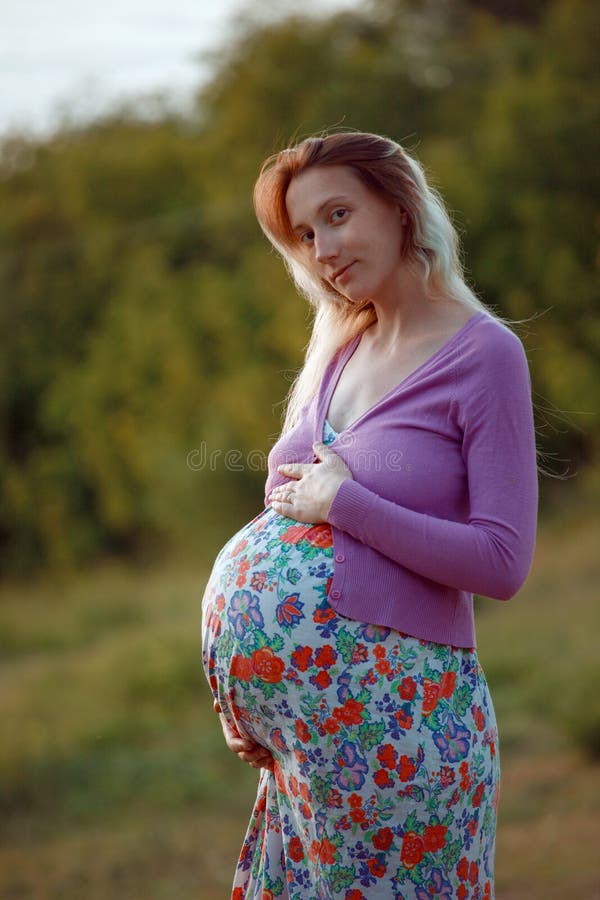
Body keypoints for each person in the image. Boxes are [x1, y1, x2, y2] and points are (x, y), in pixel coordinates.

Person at [201, 130, 538, 900]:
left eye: (338, 215)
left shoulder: (485, 354)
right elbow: (288, 520)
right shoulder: (340, 345)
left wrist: (347, 504)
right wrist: (248, 700)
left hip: (400, 728)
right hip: (305, 747)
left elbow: (502, 563)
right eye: (304, 235)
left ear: (401, 204)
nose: (322, 250)